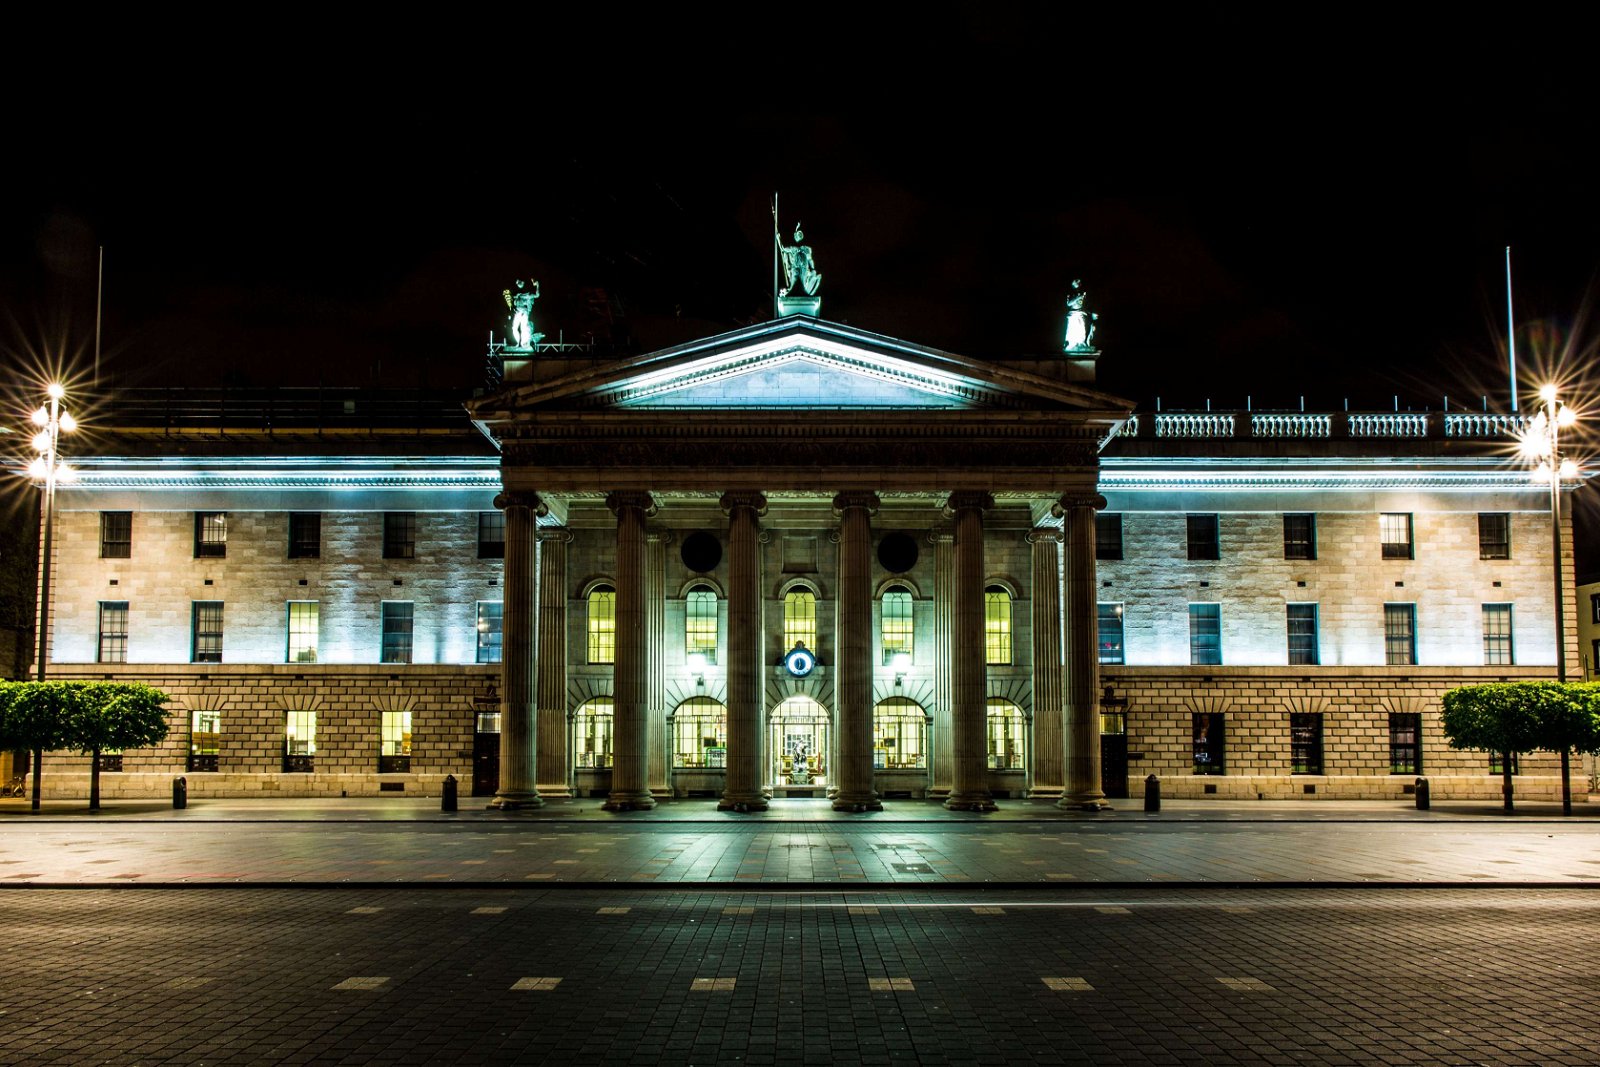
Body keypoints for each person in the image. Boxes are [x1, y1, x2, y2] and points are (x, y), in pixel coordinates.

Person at [502, 279, 541, 349]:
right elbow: (508, 297)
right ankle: (519, 342)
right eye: (517, 283)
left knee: (523, 328)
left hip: (524, 312)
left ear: (523, 283)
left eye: (519, 282)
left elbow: (537, 295)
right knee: (514, 328)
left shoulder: (527, 294)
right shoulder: (515, 294)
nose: (518, 284)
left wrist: (537, 285)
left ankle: (521, 343)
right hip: (517, 312)